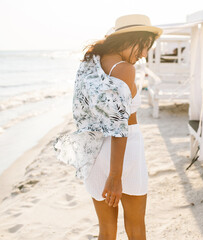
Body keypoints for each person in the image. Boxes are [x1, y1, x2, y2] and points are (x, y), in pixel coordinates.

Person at [53, 14, 162, 240]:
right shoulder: (123, 69)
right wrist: (115, 176)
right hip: (124, 153)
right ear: (131, 39)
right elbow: (119, 128)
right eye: (143, 46)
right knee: (136, 228)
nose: (143, 54)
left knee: (106, 230)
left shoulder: (90, 63)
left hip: (93, 151)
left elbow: (81, 109)